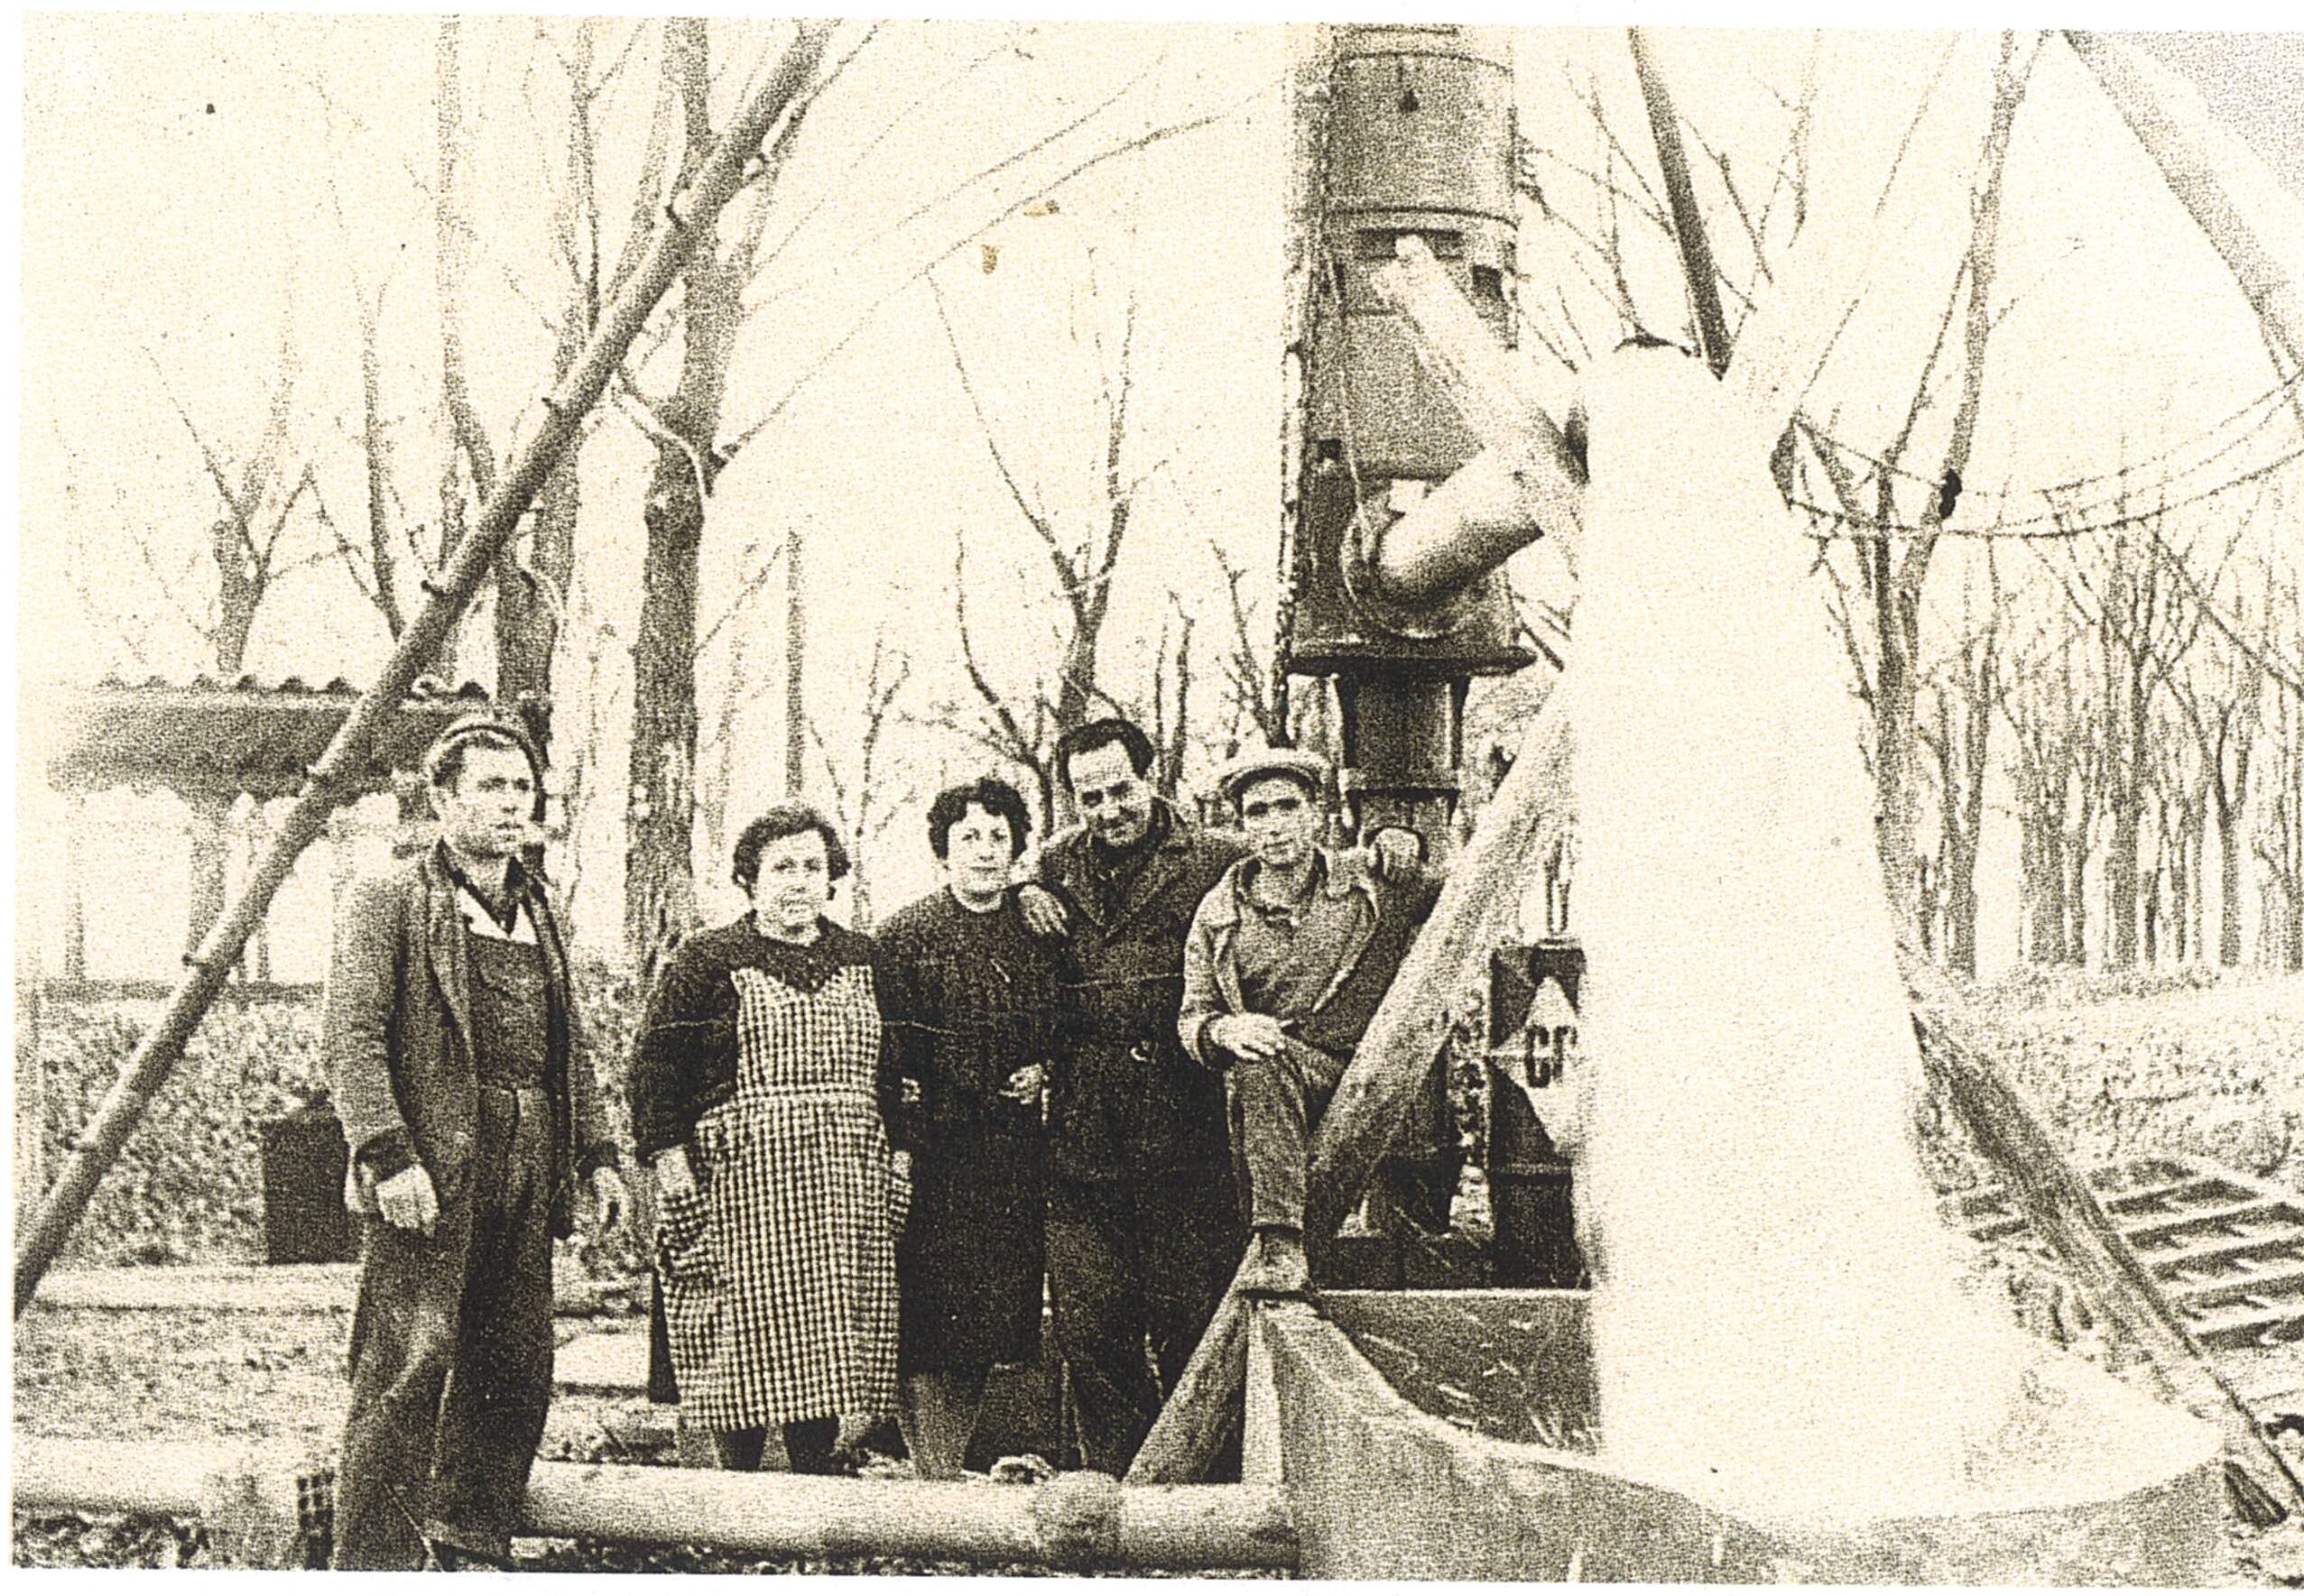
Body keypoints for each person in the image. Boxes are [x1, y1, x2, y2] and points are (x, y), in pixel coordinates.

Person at [328, 714, 627, 1571]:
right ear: (442, 798)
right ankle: (374, 1561)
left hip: (530, 1158)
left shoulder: (539, 903)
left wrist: (596, 1153)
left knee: (513, 1359)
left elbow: (570, 1042)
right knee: (407, 1362)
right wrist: (387, 1153)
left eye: (522, 788)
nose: (510, 804)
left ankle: (466, 1544)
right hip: (429, 1163)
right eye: (490, 786)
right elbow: (352, 1035)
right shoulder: (391, 898)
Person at [627, 806, 903, 1476]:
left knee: (823, 1352)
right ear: (750, 878)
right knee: (740, 1351)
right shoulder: (707, 958)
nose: (798, 882)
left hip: (842, 1185)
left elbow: (896, 1074)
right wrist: (672, 1167)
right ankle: (737, 1506)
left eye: (812, 866)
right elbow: (653, 1071)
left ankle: (810, 1508)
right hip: (739, 1185)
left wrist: (898, 1159)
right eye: (782, 867)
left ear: (832, 877)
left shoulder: (863, 957)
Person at [1179, 746, 1443, 1301]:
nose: (1274, 826)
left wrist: (1408, 841)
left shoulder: (1369, 882)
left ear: (1317, 813)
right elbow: (1193, 1017)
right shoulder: (1219, 913)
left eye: (1287, 807)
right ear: (1240, 824)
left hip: (1373, 1073)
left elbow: (1457, 892)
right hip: (1280, 1082)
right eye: (1258, 813)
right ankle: (1280, 1243)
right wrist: (1226, 1031)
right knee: (1261, 1061)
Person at [875, 777, 1068, 1478]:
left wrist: (1045, 1066)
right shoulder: (903, 934)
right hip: (931, 1153)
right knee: (926, 1320)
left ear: (1017, 845)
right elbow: (883, 1043)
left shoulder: (1039, 926)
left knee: (988, 1319)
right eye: (968, 837)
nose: (984, 851)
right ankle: (932, 1468)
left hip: (1008, 1153)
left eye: (997, 835)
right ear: (943, 848)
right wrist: (901, 1132)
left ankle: (947, 1466)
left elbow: (1068, 1019)